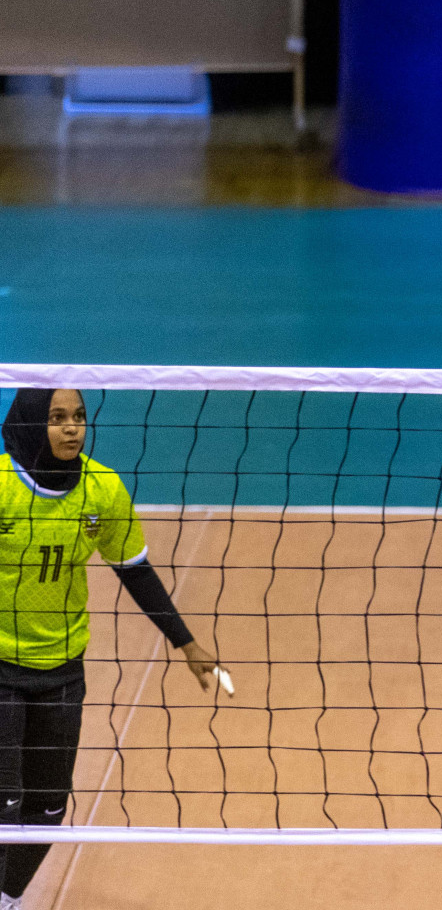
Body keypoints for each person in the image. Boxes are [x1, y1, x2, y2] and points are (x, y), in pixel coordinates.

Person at [0, 388, 219, 909]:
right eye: (57, 418)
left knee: (48, 812)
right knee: (4, 808)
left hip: (62, 671)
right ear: (32, 423)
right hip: (1, 668)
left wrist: (185, 643)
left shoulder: (101, 490)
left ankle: (6, 898)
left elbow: (133, 570)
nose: (72, 428)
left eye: (78, 417)